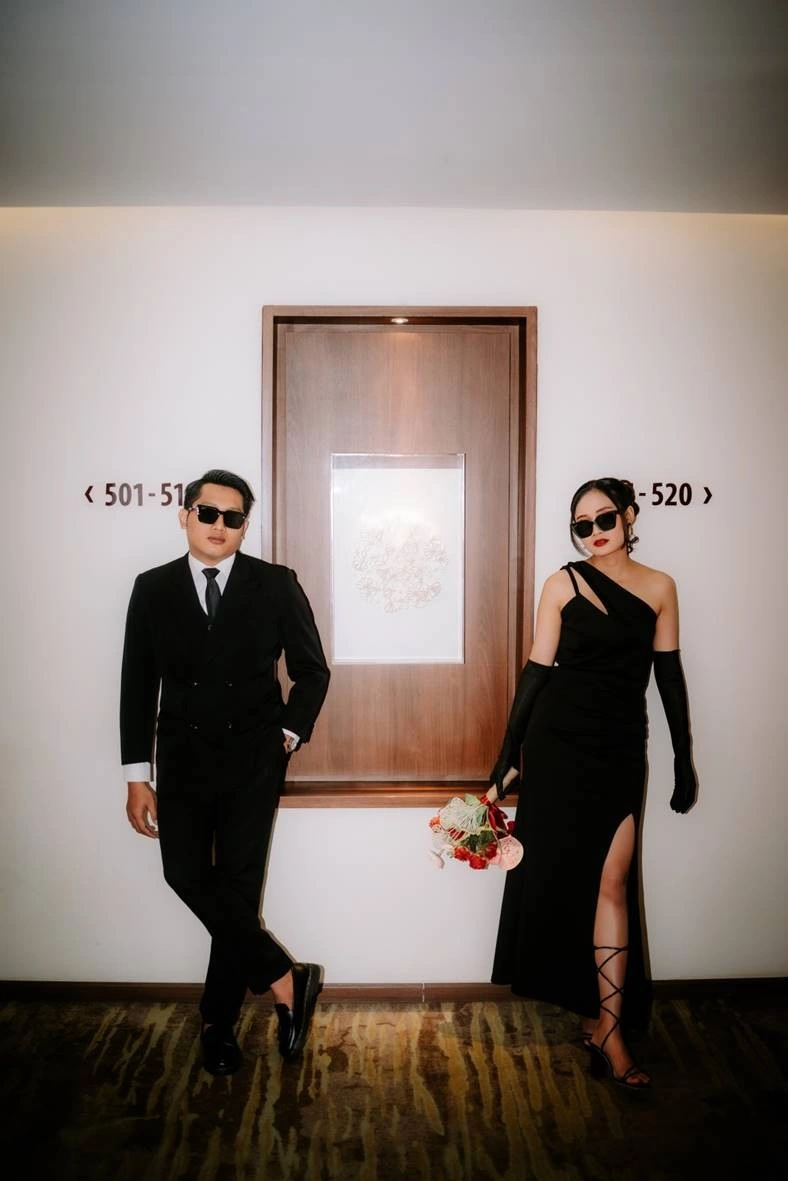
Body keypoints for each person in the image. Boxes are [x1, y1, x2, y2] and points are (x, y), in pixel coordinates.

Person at [487, 477, 697, 1092]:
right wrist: (507, 756)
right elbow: (535, 672)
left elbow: (669, 678)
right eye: (582, 525)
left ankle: (608, 1024)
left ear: (629, 516)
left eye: (605, 518)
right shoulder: (562, 584)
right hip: (557, 747)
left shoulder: (660, 587)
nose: (595, 532)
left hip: (620, 748)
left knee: (612, 882)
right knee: (564, 881)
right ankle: (600, 1022)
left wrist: (685, 760)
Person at [120, 468, 330, 1076]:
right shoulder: (152, 588)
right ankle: (286, 978)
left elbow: (312, 671)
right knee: (184, 874)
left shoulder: (274, 583)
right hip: (182, 762)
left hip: (252, 762)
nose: (219, 526)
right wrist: (137, 775)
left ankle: (218, 1023)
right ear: (184, 515)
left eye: (232, 517)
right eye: (207, 513)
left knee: (236, 892)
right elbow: (137, 685)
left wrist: (287, 735)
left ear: (244, 525)